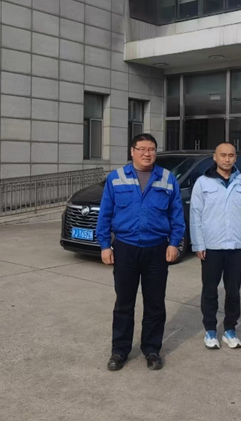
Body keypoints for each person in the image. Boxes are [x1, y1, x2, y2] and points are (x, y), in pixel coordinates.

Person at [96, 134, 185, 371]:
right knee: (124, 303)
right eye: (142, 149)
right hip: (125, 248)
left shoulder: (167, 178)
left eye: (152, 149)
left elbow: (177, 215)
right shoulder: (116, 178)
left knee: (155, 303)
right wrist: (104, 245)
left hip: (157, 249)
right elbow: (105, 213)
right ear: (132, 151)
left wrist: (174, 243)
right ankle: (119, 351)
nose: (147, 153)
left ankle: (152, 349)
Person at [190, 143, 241, 349]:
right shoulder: (203, 183)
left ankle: (230, 329)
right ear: (215, 157)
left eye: (231, 155)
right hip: (211, 246)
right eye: (223, 155)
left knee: (233, 291)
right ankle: (210, 330)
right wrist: (198, 243)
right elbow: (195, 215)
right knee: (210, 290)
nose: (227, 159)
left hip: (237, 245)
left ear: (235, 158)